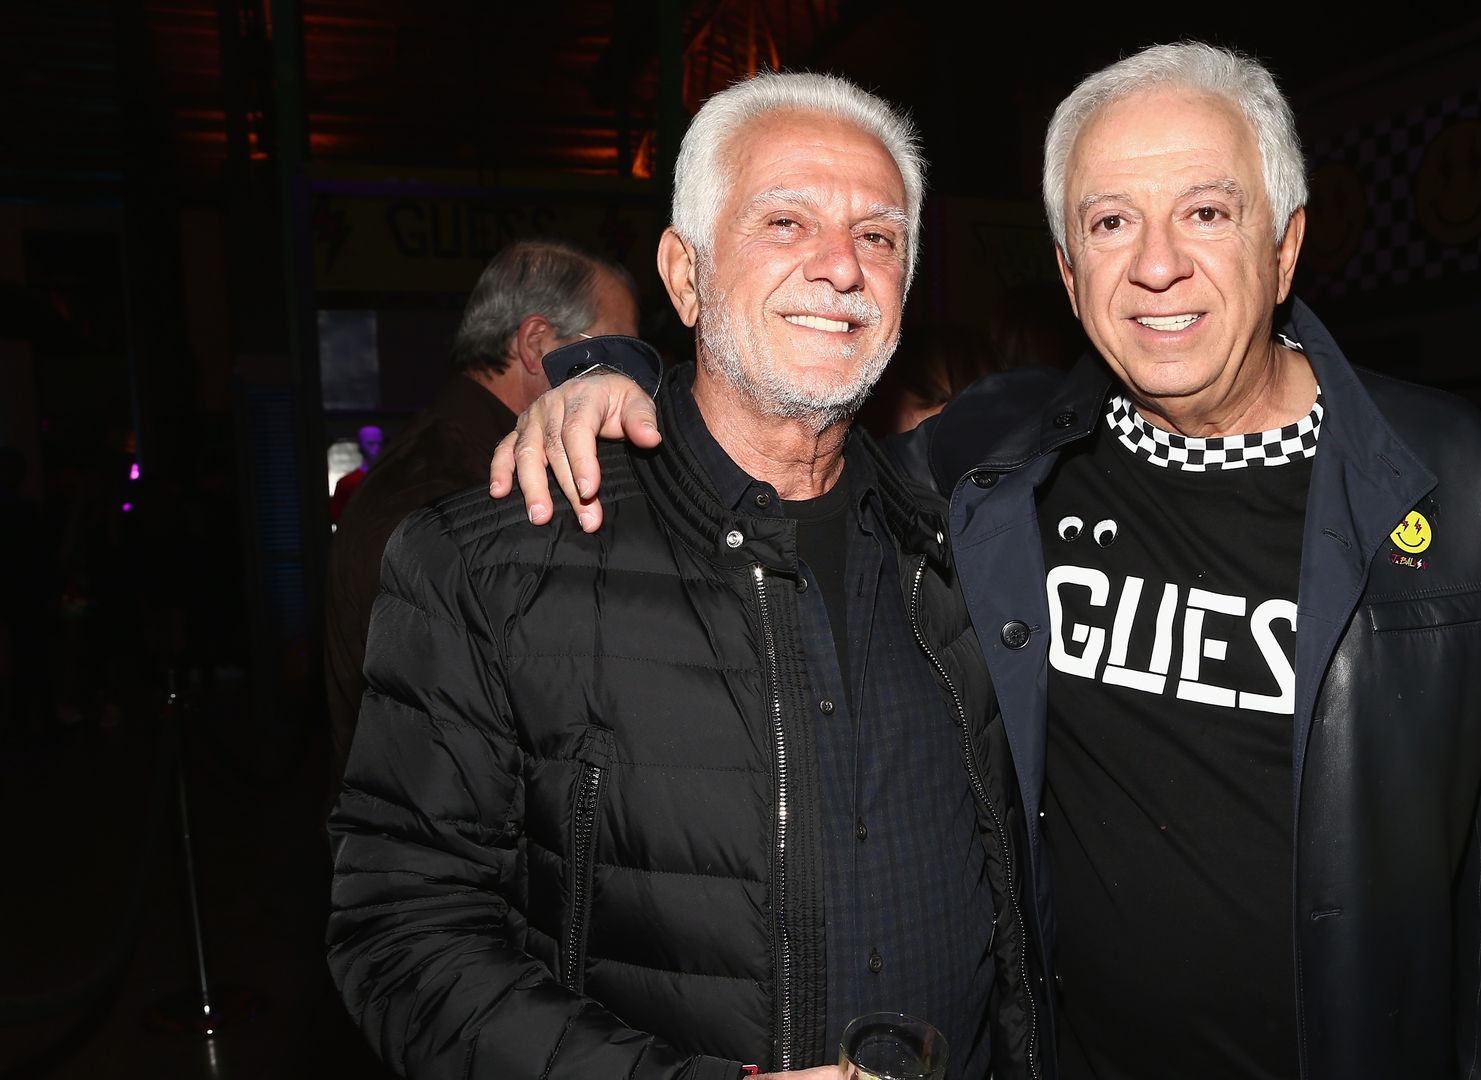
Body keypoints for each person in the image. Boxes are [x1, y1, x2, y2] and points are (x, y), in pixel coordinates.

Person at [495, 42, 1481, 1080]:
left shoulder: (1446, 475)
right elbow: (780, 428)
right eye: (1111, 222)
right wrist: (609, 370)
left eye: (1206, 212)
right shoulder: (1002, 455)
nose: (1157, 264)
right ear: (1066, 270)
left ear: (1284, 243)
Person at [327, 73, 1038, 1080]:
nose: (841, 266)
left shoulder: (968, 553)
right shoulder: (490, 559)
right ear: (687, 273)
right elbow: (403, 937)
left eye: (878, 237)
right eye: (786, 221)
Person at [321, 237, 639, 792]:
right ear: (538, 344)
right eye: (616, 355)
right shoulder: (449, 487)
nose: (629, 383)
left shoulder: (467, 456)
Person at [328, 423, 387, 523]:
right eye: (371, 444)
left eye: (380, 444)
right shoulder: (346, 483)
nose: (377, 449)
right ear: (361, 446)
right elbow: (337, 518)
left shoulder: (390, 479)